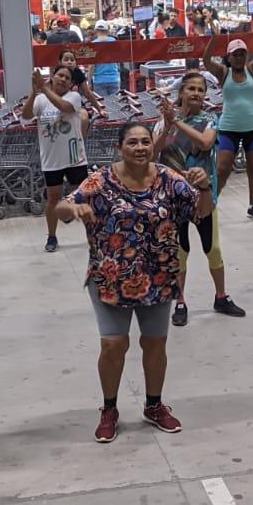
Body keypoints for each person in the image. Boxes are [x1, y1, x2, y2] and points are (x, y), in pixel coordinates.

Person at [59, 121, 202, 443]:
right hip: (110, 278)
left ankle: (154, 405)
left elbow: (201, 211)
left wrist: (205, 188)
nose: (140, 148)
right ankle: (109, 409)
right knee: (113, 344)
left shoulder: (168, 179)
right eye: (133, 142)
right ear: (119, 147)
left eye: (145, 142)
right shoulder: (100, 181)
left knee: (154, 343)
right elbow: (60, 207)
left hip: (158, 274)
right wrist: (73, 207)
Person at [155, 70, 245, 325]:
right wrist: (167, 124)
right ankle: (180, 302)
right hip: (174, 197)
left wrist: (177, 122)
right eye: (191, 89)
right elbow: (153, 152)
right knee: (180, 252)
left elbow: (206, 143)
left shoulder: (210, 119)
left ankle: (221, 296)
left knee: (212, 249)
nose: (196, 94)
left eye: (200, 90)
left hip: (204, 195)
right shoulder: (163, 121)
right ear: (180, 92)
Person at [24, 63, 89, 253]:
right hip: (51, 160)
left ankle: (92, 235)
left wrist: (44, 87)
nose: (63, 79)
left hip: (75, 157)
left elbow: (65, 108)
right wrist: (34, 92)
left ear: (71, 84)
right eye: (60, 75)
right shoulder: (41, 100)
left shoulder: (74, 97)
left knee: (82, 196)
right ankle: (52, 236)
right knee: (52, 198)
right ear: (53, 76)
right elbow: (27, 115)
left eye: (67, 78)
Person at [206, 37, 253, 221]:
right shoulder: (223, 73)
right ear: (229, 57)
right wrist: (213, 38)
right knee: (222, 169)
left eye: (242, 54)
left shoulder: (252, 69)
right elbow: (205, 60)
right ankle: (210, 204)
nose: (239, 58)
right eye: (235, 54)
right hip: (229, 129)